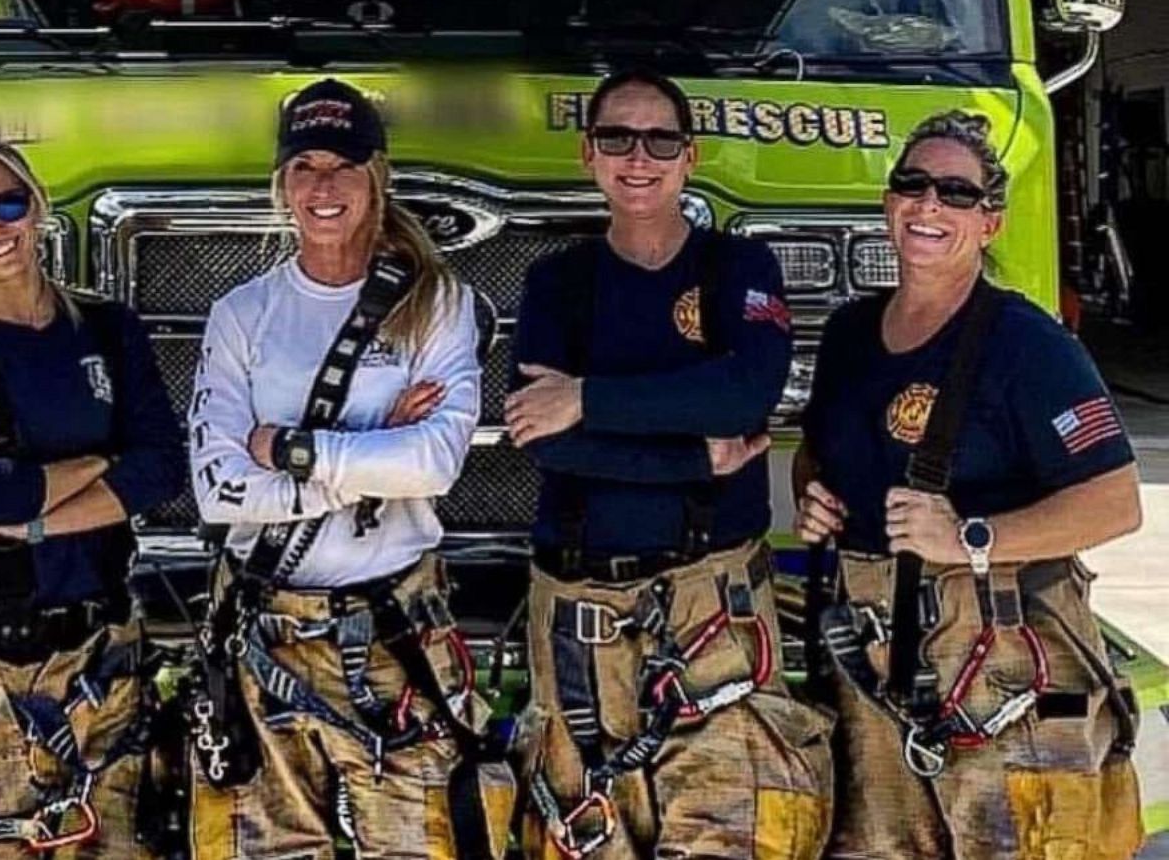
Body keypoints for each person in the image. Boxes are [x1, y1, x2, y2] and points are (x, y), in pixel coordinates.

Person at [796, 110, 1145, 859]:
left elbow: (1116, 501)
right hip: (871, 664)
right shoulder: (849, 333)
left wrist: (970, 538)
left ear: (990, 223)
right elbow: (824, 448)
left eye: (955, 194)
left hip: (999, 664)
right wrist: (815, 492)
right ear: (889, 203)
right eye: (912, 186)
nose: (929, 206)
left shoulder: (1030, 345)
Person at [505, 68, 832, 859]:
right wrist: (695, 456)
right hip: (579, 614)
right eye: (617, 137)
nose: (638, 157)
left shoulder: (737, 269)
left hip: (711, 600)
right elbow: (540, 436)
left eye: (660, 140)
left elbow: (746, 393)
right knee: (581, 831)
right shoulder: (557, 283)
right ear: (589, 154)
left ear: (690, 157)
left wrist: (588, 398)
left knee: (734, 828)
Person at [184, 78, 513, 860]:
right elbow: (220, 487)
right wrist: (369, 454)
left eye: (343, 165)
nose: (323, 187)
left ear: (378, 176)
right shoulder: (242, 314)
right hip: (262, 638)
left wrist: (291, 450)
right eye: (305, 167)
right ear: (281, 184)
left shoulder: (439, 302)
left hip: (399, 638)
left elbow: (434, 462)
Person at [0, 137, 186, 857]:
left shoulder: (109, 330)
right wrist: (100, 460)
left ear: (38, 205)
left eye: (8, 204)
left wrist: (40, 524)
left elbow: (163, 468)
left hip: (105, 662)